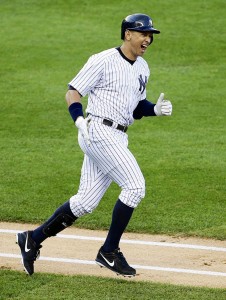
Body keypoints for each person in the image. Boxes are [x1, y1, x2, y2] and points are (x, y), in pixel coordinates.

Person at [16, 13, 172, 277]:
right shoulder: (102, 60)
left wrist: (154, 109)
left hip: (118, 135)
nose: (148, 39)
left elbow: (134, 107)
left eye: (150, 35)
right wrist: (78, 119)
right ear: (127, 34)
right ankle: (109, 252)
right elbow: (73, 91)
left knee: (85, 202)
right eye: (143, 33)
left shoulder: (143, 68)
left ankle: (32, 239)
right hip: (97, 131)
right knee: (135, 186)